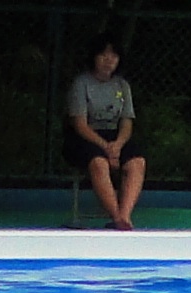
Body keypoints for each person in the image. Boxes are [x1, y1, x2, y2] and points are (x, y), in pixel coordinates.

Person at [64, 37, 143, 232]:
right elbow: (80, 125)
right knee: (99, 163)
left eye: (113, 55)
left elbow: (126, 121)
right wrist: (106, 147)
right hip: (87, 137)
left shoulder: (122, 86)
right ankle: (116, 217)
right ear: (94, 57)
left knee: (137, 162)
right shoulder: (81, 83)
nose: (109, 60)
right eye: (103, 54)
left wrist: (118, 145)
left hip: (115, 137)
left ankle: (125, 215)